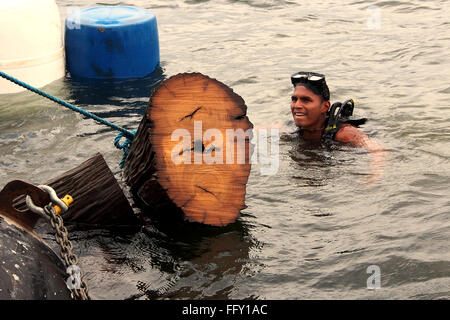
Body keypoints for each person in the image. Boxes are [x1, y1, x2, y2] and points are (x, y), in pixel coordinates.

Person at [288, 71, 387, 183]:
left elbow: (378, 149)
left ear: (325, 107)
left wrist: (375, 173)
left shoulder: (345, 133)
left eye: (306, 100)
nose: (297, 105)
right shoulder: (290, 128)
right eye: (294, 99)